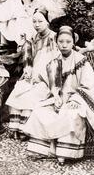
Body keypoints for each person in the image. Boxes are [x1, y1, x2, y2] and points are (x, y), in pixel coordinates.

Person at [20, 26, 94, 165]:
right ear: (56, 42)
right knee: (40, 110)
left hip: (78, 99)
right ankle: (47, 150)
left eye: (68, 42)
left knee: (70, 114)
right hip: (58, 98)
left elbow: (89, 85)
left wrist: (76, 99)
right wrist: (54, 96)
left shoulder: (80, 60)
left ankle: (65, 152)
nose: (64, 45)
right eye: (61, 41)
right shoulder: (54, 60)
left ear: (73, 43)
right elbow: (48, 83)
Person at [5, 8, 59, 140]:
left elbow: (55, 62)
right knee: (17, 92)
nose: (37, 24)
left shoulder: (54, 37)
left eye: (40, 21)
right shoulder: (32, 38)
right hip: (33, 77)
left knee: (30, 96)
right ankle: (15, 128)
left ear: (47, 21)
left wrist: (41, 77)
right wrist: (28, 69)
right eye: (34, 21)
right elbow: (28, 60)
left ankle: (25, 129)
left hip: (48, 79)